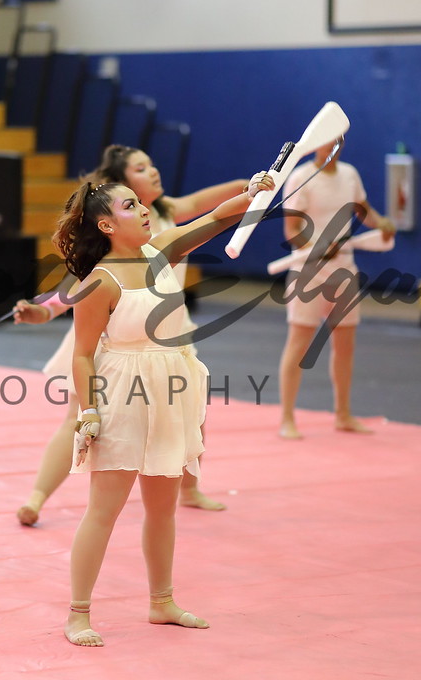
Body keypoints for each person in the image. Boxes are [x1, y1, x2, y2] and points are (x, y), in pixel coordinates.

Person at [56, 172, 275, 646]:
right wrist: (88, 412)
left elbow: (217, 218)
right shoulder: (98, 282)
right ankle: (78, 613)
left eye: (140, 203)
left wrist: (253, 192)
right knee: (103, 511)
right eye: (130, 206)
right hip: (123, 393)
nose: (143, 209)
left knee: (163, 508)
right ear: (107, 227)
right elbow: (82, 353)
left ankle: (161, 602)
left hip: (170, 387)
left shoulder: (162, 252)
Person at [14, 145, 251, 526]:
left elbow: (220, 204)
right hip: (116, 335)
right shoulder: (117, 235)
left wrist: (256, 186)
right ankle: (38, 496)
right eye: (142, 168)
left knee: (189, 411)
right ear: (123, 186)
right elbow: (81, 286)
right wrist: (43, 310)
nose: (153, 171)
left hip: (166, 330)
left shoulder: (167, 212)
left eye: (152, 164)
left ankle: (188, 487)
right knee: (77, 419)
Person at [277, 140, 395, 440]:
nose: (333, 147)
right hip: (308, 272)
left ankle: (343, 414)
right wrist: (316, 246)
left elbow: (364, 212)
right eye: (327, 140)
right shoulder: (300, 177)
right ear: (317, 143)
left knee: (345, 344)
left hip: (344, 270)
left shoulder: (350, 175)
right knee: (299, 342)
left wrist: (382, 223)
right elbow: (292, 231)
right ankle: (287, 418)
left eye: (339, 141)